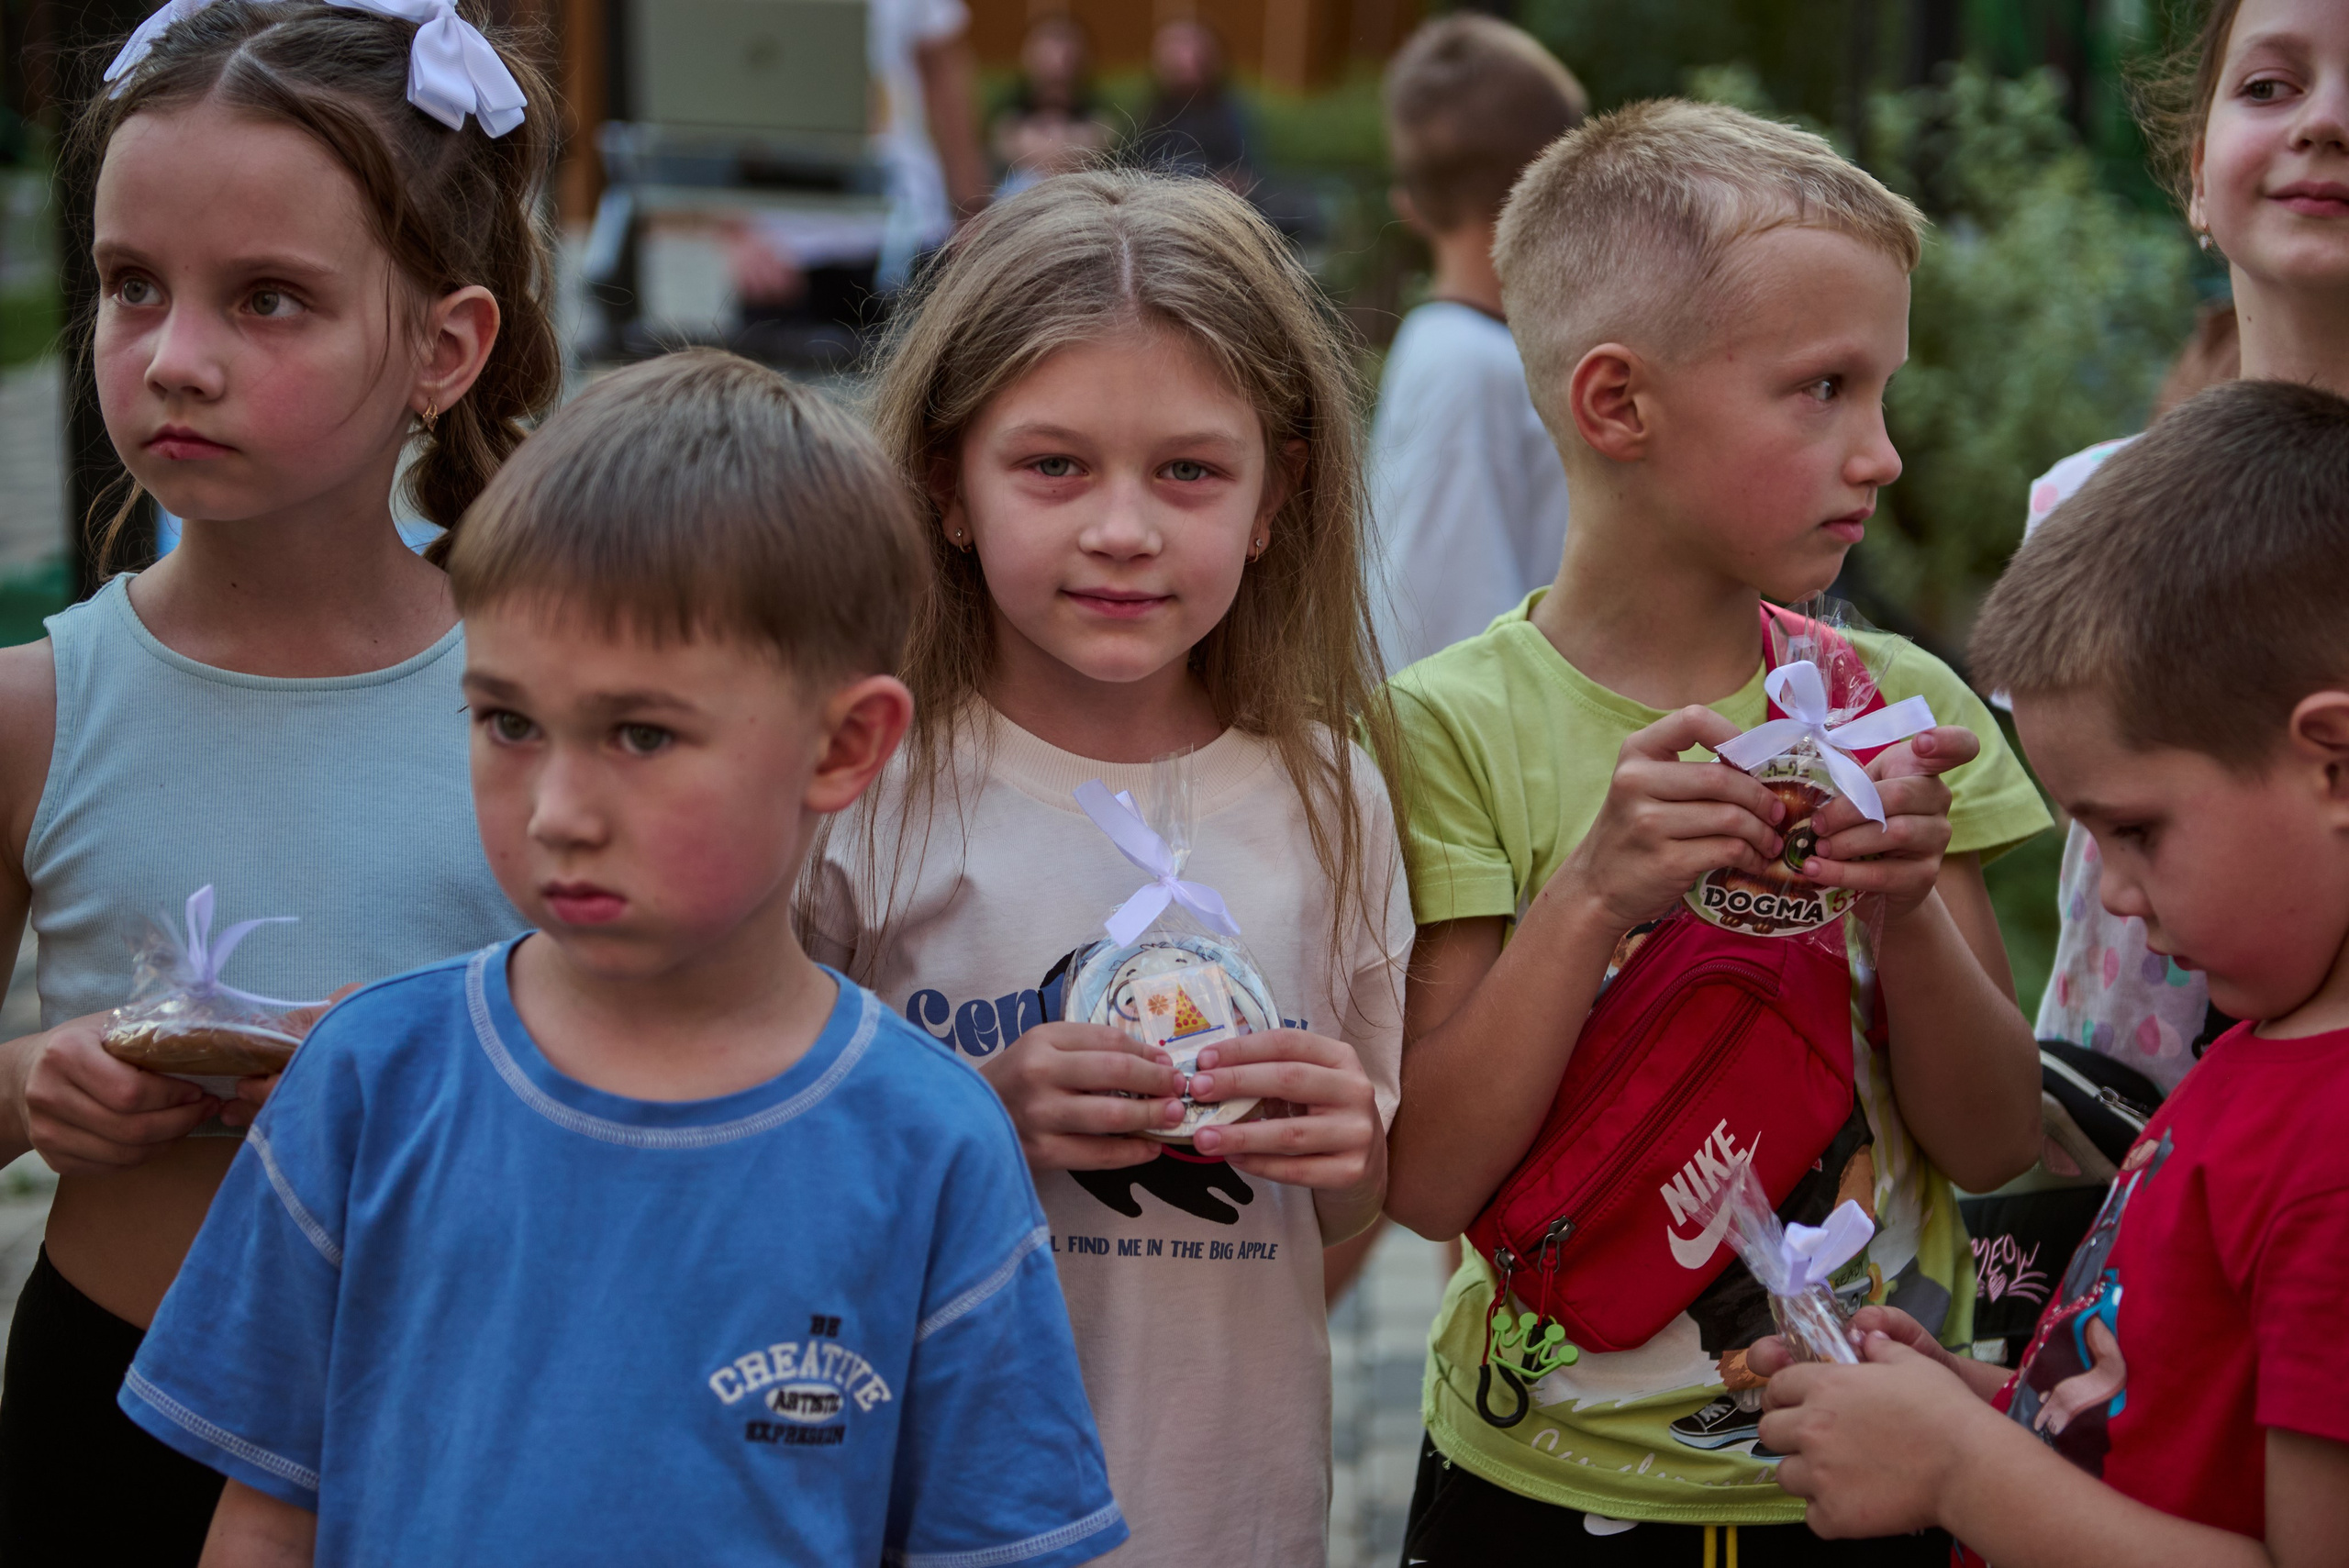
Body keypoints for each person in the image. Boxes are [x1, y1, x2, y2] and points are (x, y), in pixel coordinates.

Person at [117, 350, 1129, 1568]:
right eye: (508, 722)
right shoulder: (370, 1083)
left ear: (844, 745)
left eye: (641, 733)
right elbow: (270, 1519)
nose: (557, 810)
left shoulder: (932, 1146)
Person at [1375, 100, 2051, 1564]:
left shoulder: (1902, 704)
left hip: (1875, 1473)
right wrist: (1593, 898)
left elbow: (1995, 1138)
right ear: (1619, 404)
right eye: (1821, 390)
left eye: (1884, 393)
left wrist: (1908, 906)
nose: (1878, 454)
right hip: (1540, 1486)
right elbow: (1426, 1181)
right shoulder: (1448, 727)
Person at [0, 2, 558, 1559]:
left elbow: (685, 1062)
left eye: (267, 300)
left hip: (460, 1406)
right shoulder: (36, 710)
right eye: (131, 287)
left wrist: (436, 1071)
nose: (178, 358)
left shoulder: (546, 704)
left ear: (443, 347)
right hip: (109, 1406)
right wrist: (34, 1082)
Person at [803, 171, 1410, 1566]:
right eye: (1054, 465)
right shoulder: (862, 787)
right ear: (949, 484)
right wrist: (982, 1118)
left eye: (1189, 470)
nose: (1123, 529)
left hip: (1229, 1514)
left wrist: (1350, 1146)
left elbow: (1355, 1200)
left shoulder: (1335, 800)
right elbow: (763, 1174)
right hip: (917, 1507)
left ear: (1277, 496)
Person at [1753, 378, 2349, 1566]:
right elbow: (2164, 1428)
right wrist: (1977, 1405)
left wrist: (1961, 1471)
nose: (2116, 895)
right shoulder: (2259, 1044)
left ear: (2332, 762)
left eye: (2137, 831)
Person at [2028, 0, 2345, 1096]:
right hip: (2122, 1142)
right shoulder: (2082, 503)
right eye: (2269, 86)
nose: (2324, 122)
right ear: (2196, 174)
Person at [1368, 15, 1585, 671]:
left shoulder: (1472, 354)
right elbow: (1446, 643)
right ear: (1565, 189)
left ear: (1409, 203)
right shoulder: (1466, 366)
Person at [725, 0, 989, 320]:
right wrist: (733, 230)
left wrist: (970, 212)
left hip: (905, 230)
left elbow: (944, 73)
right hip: (782, 247)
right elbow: (716, 66)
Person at [991, 13, 1113, 197]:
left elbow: (1105, 139)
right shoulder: (1008, 110)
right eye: (1046, 49)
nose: (1056, 59)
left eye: (1065, 47)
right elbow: (999, 146)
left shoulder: (1100, 112)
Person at [1130, 20, 1252, 189]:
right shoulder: (1148, 112)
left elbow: (1247, 176)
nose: (1186, 58)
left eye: (1194, 50)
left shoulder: (1229, 113)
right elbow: (1128, 165)